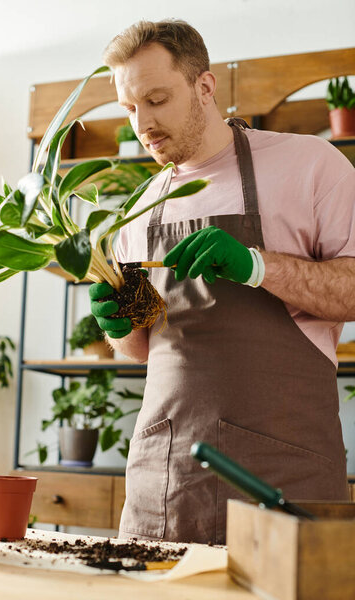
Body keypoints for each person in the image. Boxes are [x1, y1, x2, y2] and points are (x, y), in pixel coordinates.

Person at [89, 19, 355, 544]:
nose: (142, 124)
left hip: (284, 472)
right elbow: (141, 350)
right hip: (165, 479)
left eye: (157, 99)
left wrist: (258, 266)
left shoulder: (309, 165)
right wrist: (117, 325)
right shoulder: (139, 209)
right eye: (129, 108)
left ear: (204, 87)